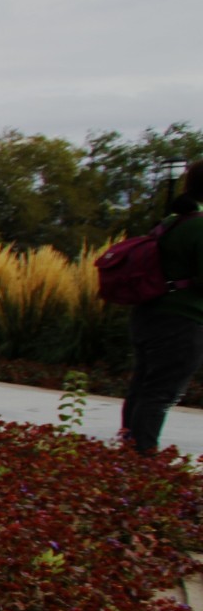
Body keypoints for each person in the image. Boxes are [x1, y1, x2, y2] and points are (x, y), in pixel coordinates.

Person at [122, 161, 203, 454]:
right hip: (180, 320)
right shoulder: (199, 225)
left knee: (144, 385)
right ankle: (142, 456)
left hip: (148, 314)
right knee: (161, 392)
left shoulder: (171, 221)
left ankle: (131, 451)